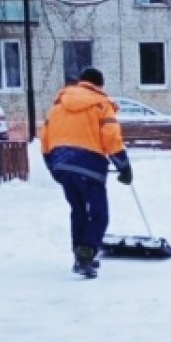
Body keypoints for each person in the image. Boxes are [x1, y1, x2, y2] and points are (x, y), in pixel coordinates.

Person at [40, 67, 132, 278]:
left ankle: (80, 255)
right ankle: (85, 254)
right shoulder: (101, 103)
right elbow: (110, 136)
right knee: (99, 215)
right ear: (99, 85)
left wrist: (52, 164)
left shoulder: (57, 106)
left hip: (61, 162)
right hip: (88, 164)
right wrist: (123, 166)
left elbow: (44, 137)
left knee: (78, 210)